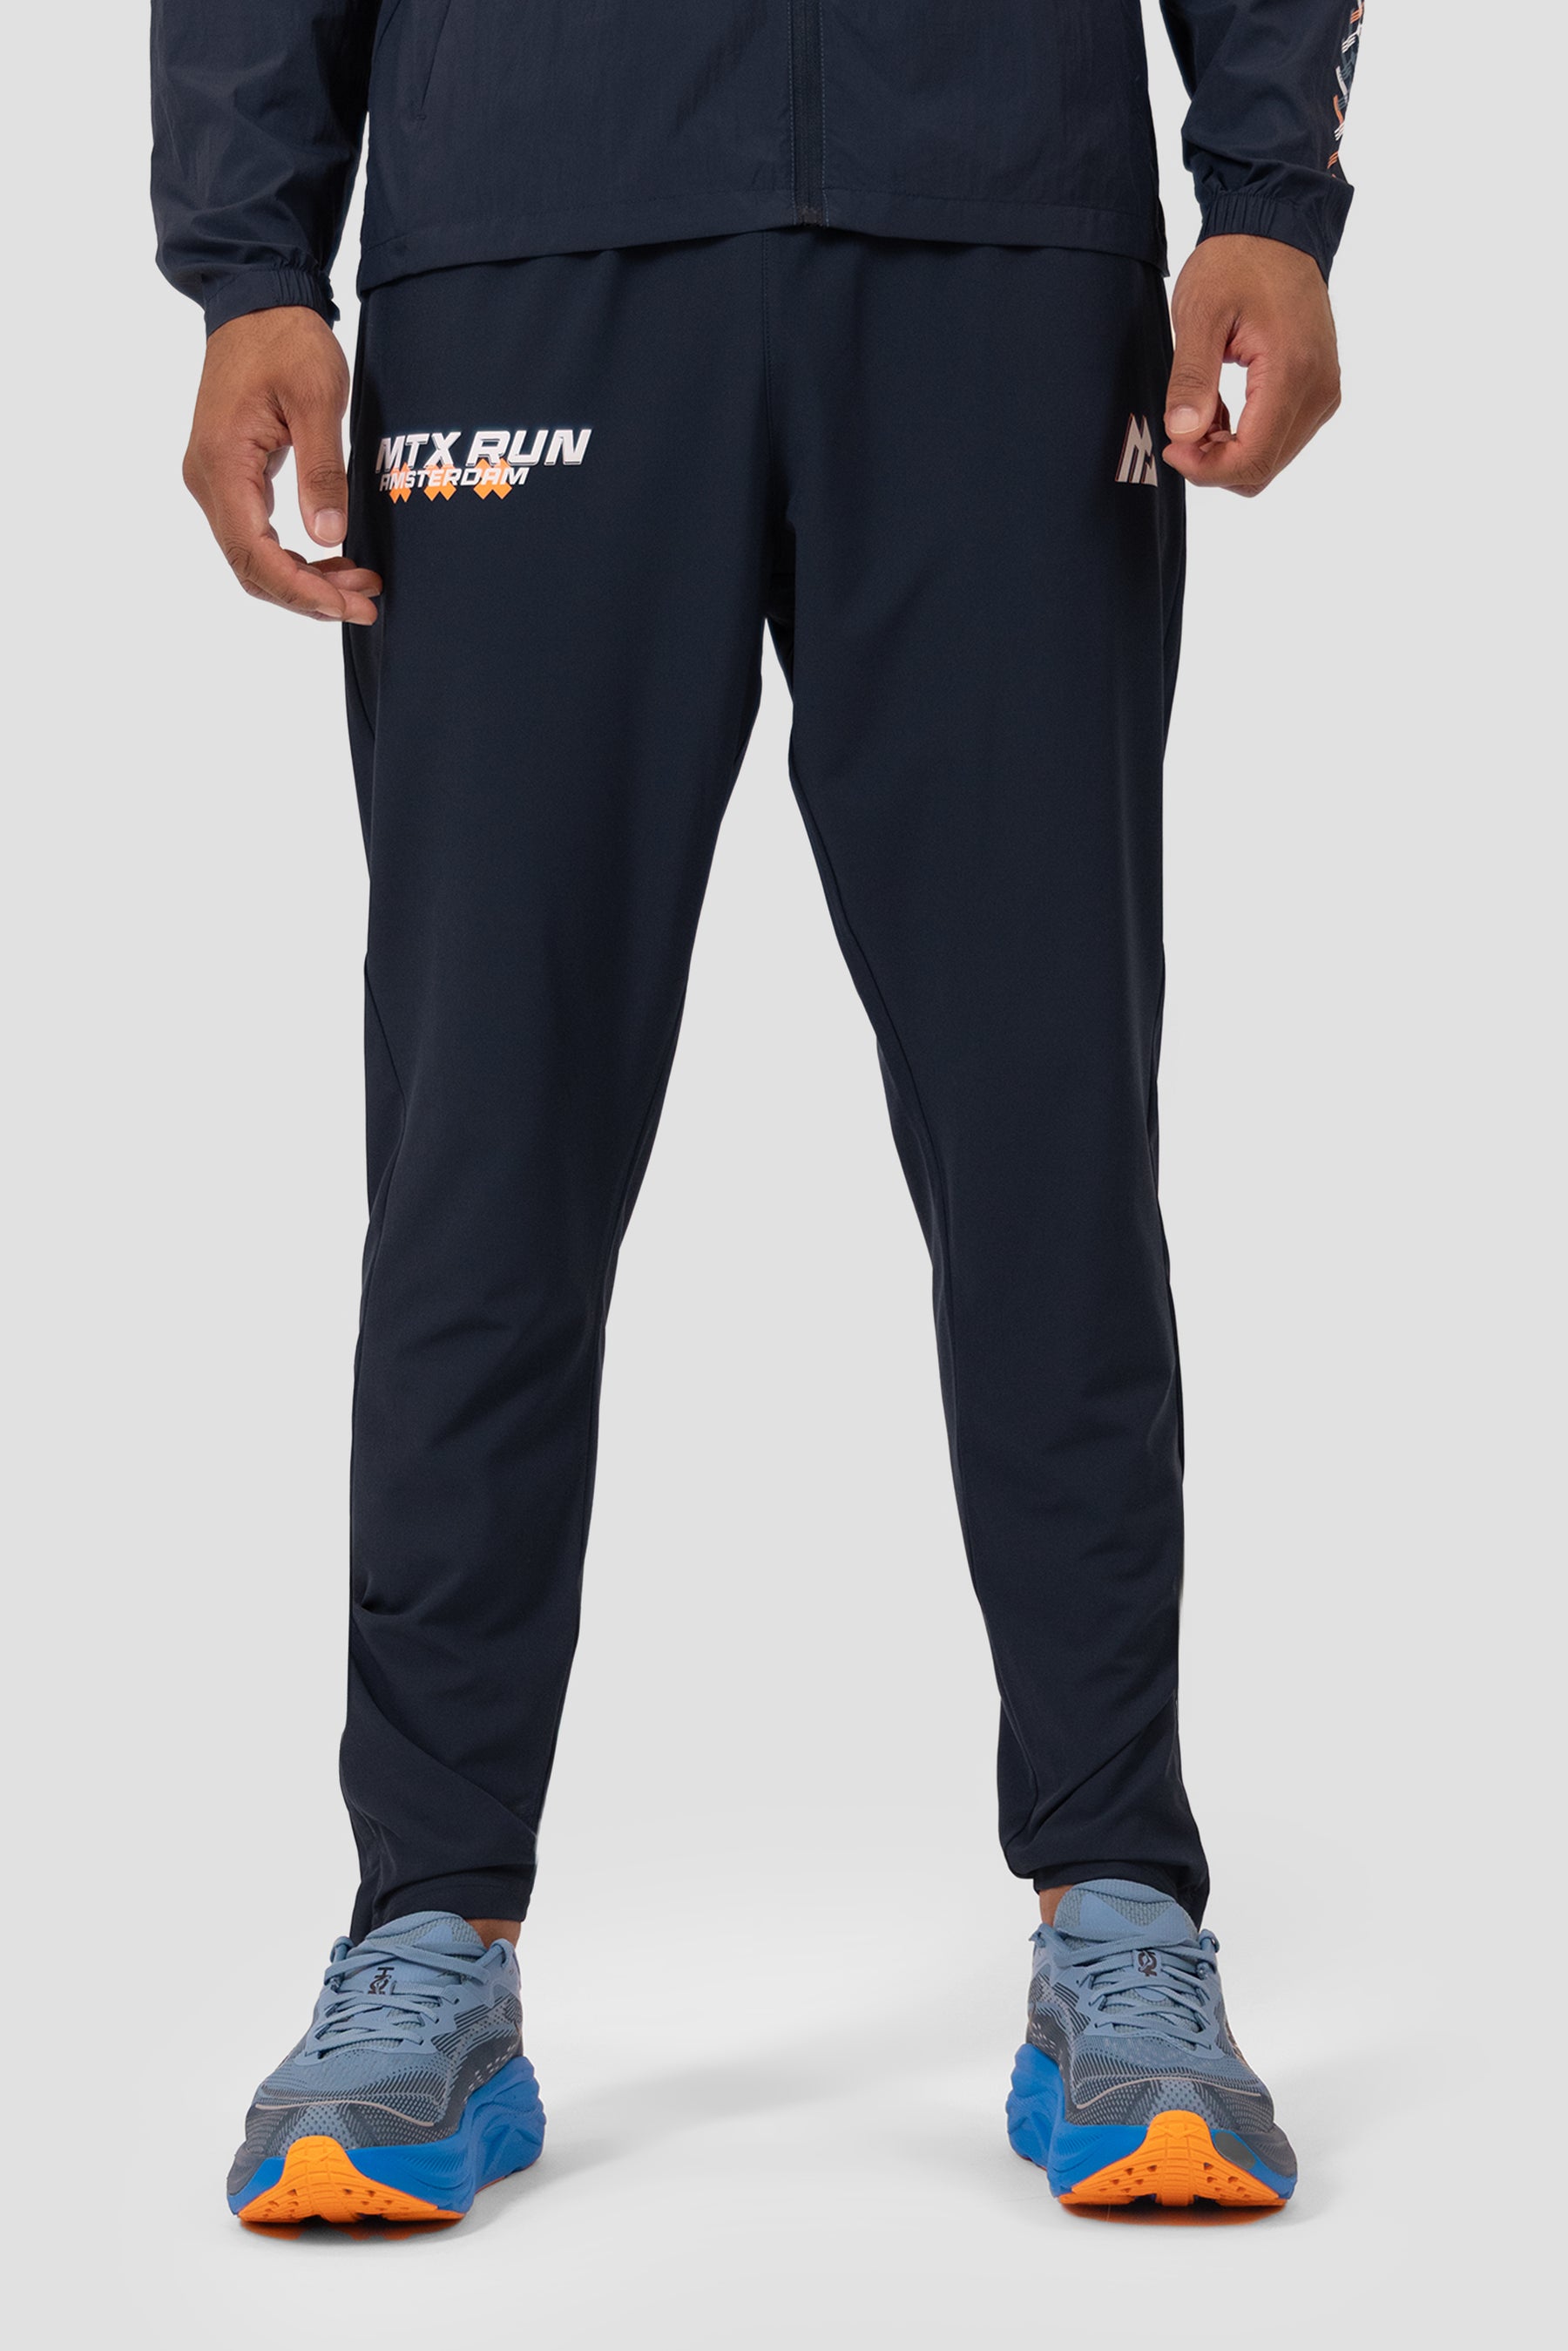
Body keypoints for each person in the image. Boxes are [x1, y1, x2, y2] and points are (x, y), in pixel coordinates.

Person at [152, 0, 1361, 2225]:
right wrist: (247, 261)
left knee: (1048, 1122)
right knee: (486, 1135)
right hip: (528, 225)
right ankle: (429, 1929)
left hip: (997, 238)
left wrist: (1273, 182)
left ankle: (1117, 1905)